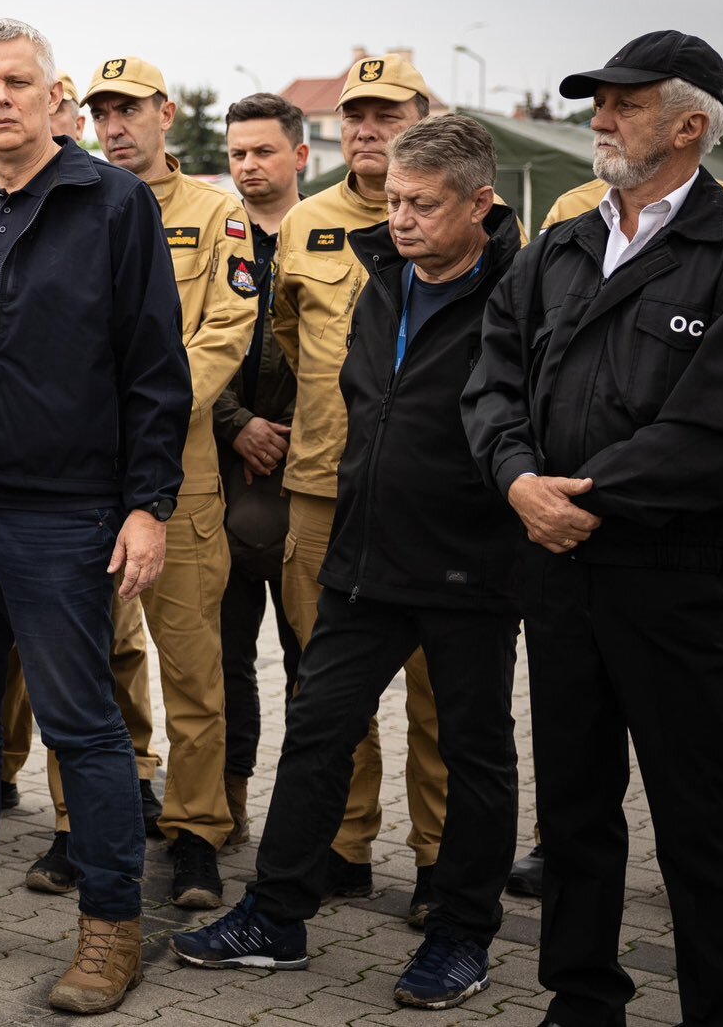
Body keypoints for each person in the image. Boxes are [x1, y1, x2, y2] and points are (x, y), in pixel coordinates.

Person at [0, 18, 190, 1012]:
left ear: (55, 99)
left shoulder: (112, 205)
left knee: (81, 725)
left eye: (18, 81)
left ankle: (110, 928)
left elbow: (155, 367)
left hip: (61, 516)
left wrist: (147, 506)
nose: (0, 97)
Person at [175, 114, 524, 1011]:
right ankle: (277, 915)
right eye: (394, 200)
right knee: (319, 728)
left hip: (469, 563)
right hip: (363, 552)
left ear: (480, 204)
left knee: (475, 751)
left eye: (422, 205)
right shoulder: (382, 279)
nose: (399, 218)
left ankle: (460, 933)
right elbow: (347, 384)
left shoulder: (522, 295)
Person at [465, 30, 723, 1027]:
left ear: (689, 125)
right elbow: (491, 379)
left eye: (624, 104)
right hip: (558, 570)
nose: (600, 119)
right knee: (574, 807)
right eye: (598, 102)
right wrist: (516, 479)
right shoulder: (562, 247)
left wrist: (576, 495)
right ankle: (581, 998)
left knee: (700, 816)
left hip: (676, 576)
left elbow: (705, 427)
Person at [272, 52, 447, 920]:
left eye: (388, 114)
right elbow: (285, 333)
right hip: (321, 489)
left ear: (424, 120)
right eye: (356, 115)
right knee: (330, 688)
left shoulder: (473, 218)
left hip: (428, 498)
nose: (369, 130)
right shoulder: (305, 222)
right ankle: (344, 846)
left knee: (439, 693)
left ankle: (441, 860)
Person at [81, 56, 258, 907]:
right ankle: (91, 818)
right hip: (83, 478)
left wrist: (144, 404)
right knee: (93, 661)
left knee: (192, 669)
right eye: (102, 113)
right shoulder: (75, 206)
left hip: (178, 476)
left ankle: (196, 834)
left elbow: (228, 329)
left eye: (130, 110)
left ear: (166, 113)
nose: (115, 127)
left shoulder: (217, 215)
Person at [210, 93, 310, 846]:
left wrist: (293, 434)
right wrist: (236, 424)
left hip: (312, 478)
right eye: (238, 153)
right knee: (222, 659)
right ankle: (228, 799)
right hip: (220, 472)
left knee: (314, 659)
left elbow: (350, 356)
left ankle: (313, 818)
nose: (248, 165)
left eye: (263, 151)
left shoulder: (337, 235)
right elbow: (184, 340)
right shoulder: (218, 235)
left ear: (299, 155)